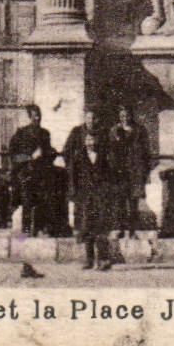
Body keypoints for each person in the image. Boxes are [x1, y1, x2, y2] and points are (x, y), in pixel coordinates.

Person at [62, 107, 115, 269]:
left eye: (93, 118)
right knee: (86, 225)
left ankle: (104, 260)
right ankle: (89, 259)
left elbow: (110, 168)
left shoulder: (103, 149)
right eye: (88, 118)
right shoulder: (77, 139)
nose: (90, 121)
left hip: (100, 193)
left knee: (100, 226)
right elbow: (68, 156)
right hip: (84, 193)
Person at [6, 104, 55, 236]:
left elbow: (49, 152)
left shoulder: (45, 133)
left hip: (41, 172)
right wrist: (30, 157)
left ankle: (40, 228)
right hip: (26, 172)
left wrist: (48, 153)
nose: (37, 119)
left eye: (39, 116)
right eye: (34, 116)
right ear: (29, 117)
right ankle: (26, 229)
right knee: (26, 200)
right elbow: (13, 155)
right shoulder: (21, 133)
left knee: (43, 199)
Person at [107, 106, 153, 239]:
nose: (124, 118)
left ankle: (132, 231)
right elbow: (110, 151)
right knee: (120, 201)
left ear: (131, 116)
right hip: (119, 172)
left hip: (135, 171)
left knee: (133, 202)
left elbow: (146, 152)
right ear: (119, 117)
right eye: (122, 116)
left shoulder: (140, 130)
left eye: (127, 115)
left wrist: (145, 171)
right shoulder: (114, 131)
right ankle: (120, 229)